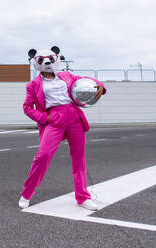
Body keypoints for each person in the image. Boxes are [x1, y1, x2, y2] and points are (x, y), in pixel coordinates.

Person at [19, 46, 106, 211]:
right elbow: (27, 108)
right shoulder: (33, 85)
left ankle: (82, 197)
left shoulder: (66, 76)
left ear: (56, 58)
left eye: (50, 59)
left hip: (74, 117)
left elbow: (84, 80)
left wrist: (99, 84)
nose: (47, 62)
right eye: (41, 60)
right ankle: (27, 193)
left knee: (79, 158)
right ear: (35, 62)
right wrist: (44, 118)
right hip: (54, 119)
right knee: (43, 156)